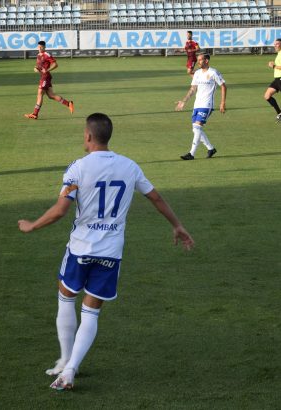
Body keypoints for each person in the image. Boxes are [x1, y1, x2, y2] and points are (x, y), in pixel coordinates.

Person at [18, 113, 194, 390]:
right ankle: (71, 369)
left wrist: (32, 226)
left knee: (66, 297)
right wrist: (177, 225)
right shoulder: (130, 167)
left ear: (88, 136)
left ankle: (65, 359)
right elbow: (155, 197)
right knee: (91, 311)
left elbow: (61, 209)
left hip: (80, 248)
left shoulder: (77, 168)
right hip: (111, 251)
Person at [175, 53, 226, 160]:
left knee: (197, 128)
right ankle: (211, 148)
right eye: (198, 60)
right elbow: (193, 89)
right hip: (197, 105)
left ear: (206, 61)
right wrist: (184, 101)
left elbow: (223, 86)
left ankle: (191, 154)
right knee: (196, 130)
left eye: (200, 60)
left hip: (207, 105)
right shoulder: (197, 73)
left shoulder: (213, 72)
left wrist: (222, 102)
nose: (198, 62)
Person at [24, 40, 74, 120]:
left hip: (45, 77)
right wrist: (35, 68)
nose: (39, 48)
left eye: (41, 47)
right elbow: (38, 66)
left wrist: (47, 70)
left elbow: (55, 64)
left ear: (44, 47)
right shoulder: (38, 55)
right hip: (44, 77)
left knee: (40, 94)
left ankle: (35, 114)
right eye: (38, 47)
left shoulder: (47, 55)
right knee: (51, 95)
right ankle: (68, 103)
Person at [264, 38, 281, 122]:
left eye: (277, 44)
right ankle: (279, 113)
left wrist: (273, 66)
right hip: (277, 80)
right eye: (274, 44)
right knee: (267, 96)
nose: (275, 45)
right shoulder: (279, 54)